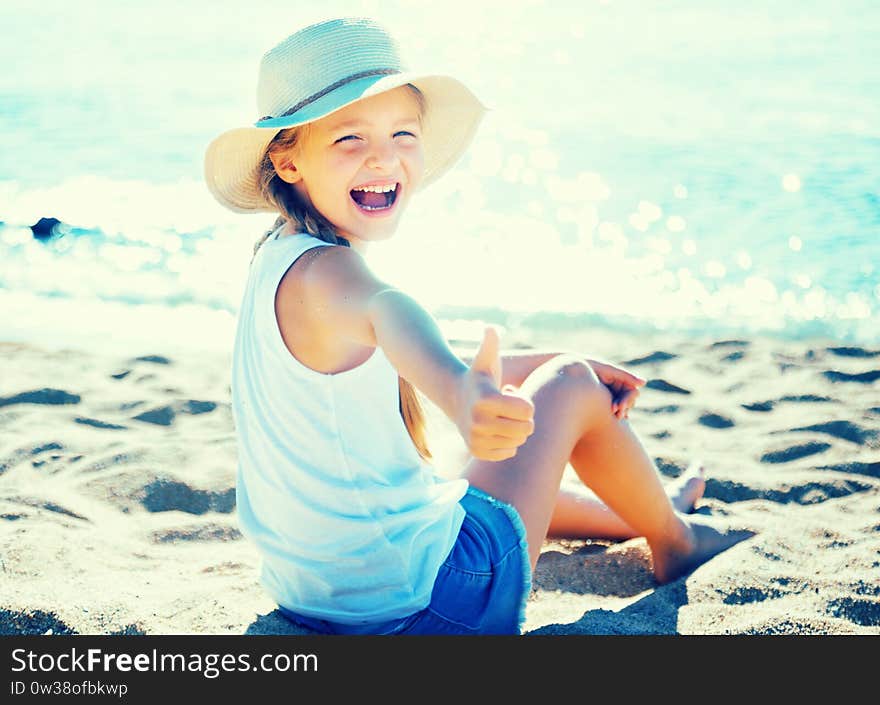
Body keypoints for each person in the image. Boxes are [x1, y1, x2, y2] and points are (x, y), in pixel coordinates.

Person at [205, 17, 753, 635]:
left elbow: (404, 355)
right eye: (349, 139)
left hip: (318, 598)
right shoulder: (344, 280)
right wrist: (467, 394)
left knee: (453, 478)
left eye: (402, 133)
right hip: (430, 603)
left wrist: (509, 368)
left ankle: (636, 513)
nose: (384, 156)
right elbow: (395, 318)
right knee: (571, 383)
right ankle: (674, 538)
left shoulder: (278, 256)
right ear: (288, 159)